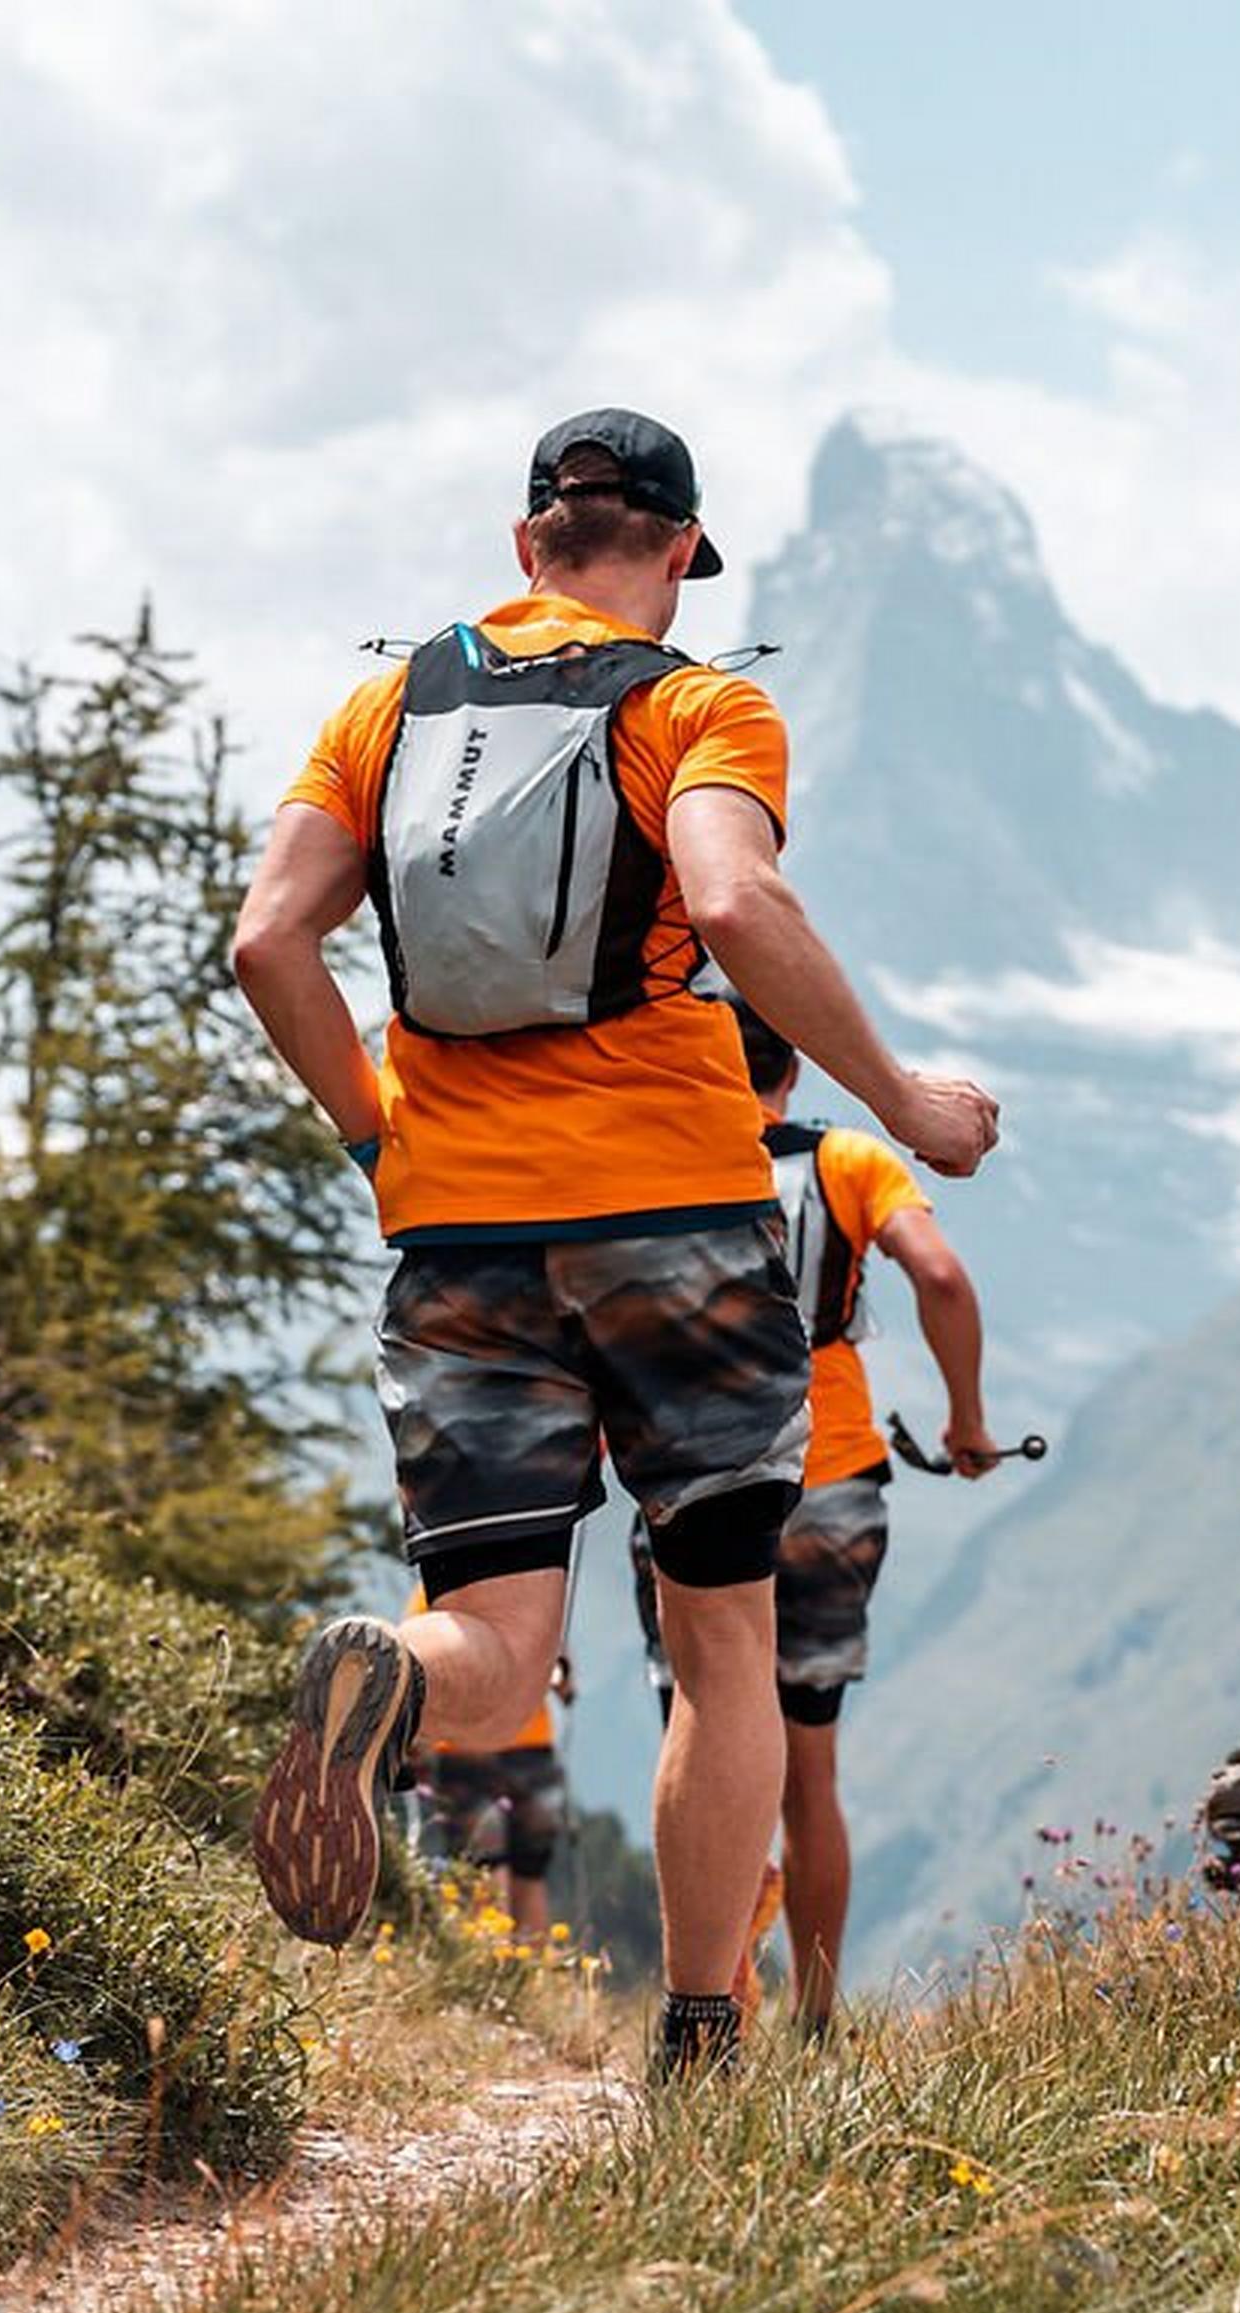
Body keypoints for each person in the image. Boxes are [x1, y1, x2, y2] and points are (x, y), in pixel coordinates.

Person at [229, 405, 1000, 2080]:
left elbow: (268, 941)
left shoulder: (384, 706)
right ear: (674, 555)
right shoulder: (697, 703)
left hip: (460, 1244)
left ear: (526, 547)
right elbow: (731, 906)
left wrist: (381, 1139)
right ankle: (706, 2035)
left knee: (498, 1650)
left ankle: (384, 1678)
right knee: (720, 1642)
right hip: (678, 1228)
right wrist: (905, 1099)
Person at [633, 994, 998, 2038]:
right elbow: (940, 1275)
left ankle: (713, 2004)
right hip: (832, 1475)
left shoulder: (664, 1156)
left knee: (701, 1736)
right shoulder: (849, 1163)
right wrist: (965, 1419)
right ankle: (821, 2016)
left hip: (687, 1468)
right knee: (811, 1766)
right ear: (792, 1070)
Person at [399, 1588, 568, 1939]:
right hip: (532, 1748)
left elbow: (414, 1670)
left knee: (484, 1869)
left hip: (465, 1752)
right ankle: (536, 1979)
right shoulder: (534, 1591)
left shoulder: (434, 1592)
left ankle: (493, 1973)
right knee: (530, 1873)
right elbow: (563, 1679)